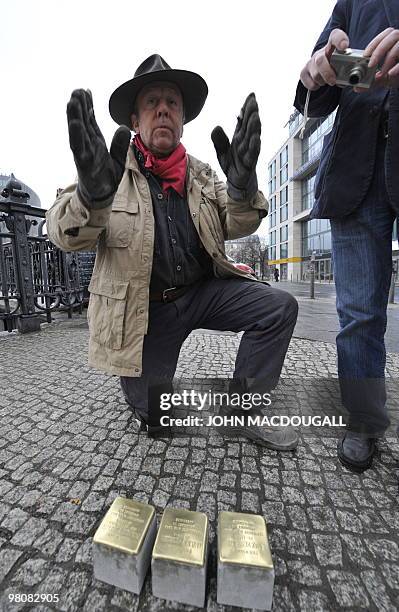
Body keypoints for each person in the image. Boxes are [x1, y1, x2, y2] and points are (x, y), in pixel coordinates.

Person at [46, 54, 298, 451]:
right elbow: (62, 233)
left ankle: (245, 409)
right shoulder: (110, 171)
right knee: (157, 416)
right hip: (149, 312)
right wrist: (92, 198)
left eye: (172, 103)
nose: (163, 109)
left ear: (182, 119)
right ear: (134, 120)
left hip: (203, 292)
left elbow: (239, 223)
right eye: (152, 102)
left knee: (279, 307)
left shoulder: (201, 173)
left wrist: (242, 189)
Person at [294, 1, 399, 471]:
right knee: (357, 312)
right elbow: (315, 93)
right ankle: (363, 417)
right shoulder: (353, 1)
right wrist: (316, 70)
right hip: (358, 169)